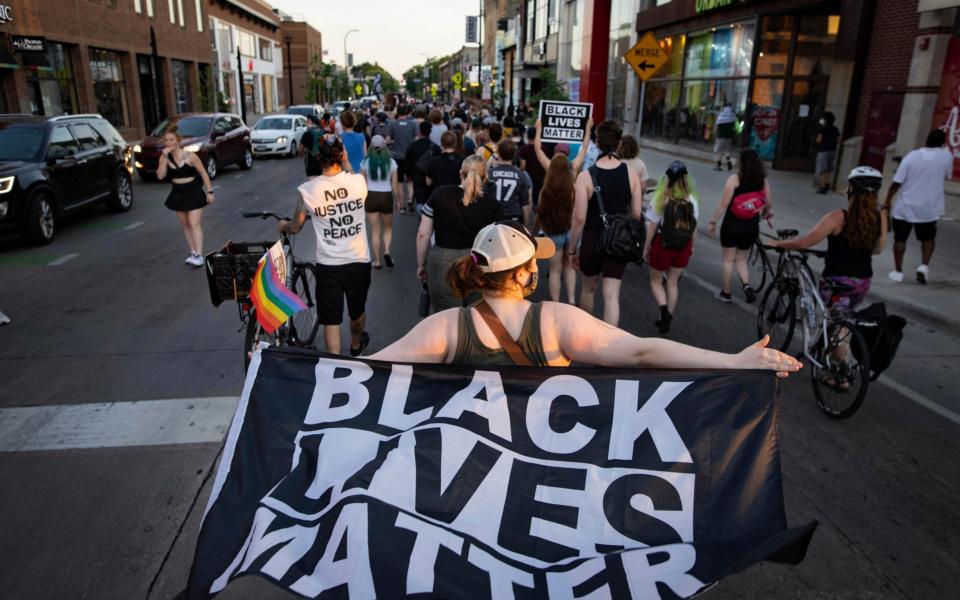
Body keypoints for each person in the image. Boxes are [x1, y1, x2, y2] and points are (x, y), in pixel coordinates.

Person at [371, 220, 802, 379]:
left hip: (469, 481)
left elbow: (365, 372)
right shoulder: (557, 321)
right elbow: (642, 353)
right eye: (533, 263)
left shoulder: (445, 327)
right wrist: (732, 361)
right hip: (545, 478)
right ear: (523, 273)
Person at [767, 167, 888, 376]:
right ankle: (827, 356)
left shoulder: (838, 217)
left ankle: (842, 373)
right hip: (862, 282)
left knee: (839, 326)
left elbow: (807, 241)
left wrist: (780, 243)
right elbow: (877, 249)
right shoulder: (880, 217)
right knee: (841, 320)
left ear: (851, 189)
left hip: (836, 281)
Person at [277, 134, 372, 357]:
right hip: (358, 260)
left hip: (329, 264)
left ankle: (335, 365)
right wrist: (347, 160)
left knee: (331, 320)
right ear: (342, 155)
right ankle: (357, 343)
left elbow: (296, 226)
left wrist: (282, 226)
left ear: (319, 158)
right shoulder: (358, 182)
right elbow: (352, 171)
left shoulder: (308, 190)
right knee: (356, 313)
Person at [569, 120, 644, 327]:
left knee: (587, 289)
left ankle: (586, 336)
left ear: (597, 142)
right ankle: (610, 346)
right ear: (619, 142)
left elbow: (579, 218)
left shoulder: (585, 176)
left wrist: (572, 249)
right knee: (612, 296)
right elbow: (636, 214)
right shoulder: (631, 174)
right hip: (618, 240)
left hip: (592, 238)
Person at [417, 155, 503, 312]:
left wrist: (421, 265)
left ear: (460, 173)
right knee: (474, 318)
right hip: (477, 264)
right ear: (485, 177)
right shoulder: (492, 205)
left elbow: (423, 235)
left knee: (446, 320)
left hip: (442, 262)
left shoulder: (440, 195)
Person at [884, 129, 952, 284]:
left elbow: (897, 181)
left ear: (926, 139)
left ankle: (898, 272)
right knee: (928, 238)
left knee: (900, 239)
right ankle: (923, 266)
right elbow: (948, 175)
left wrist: (887, 200)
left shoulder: (912, 156)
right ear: (943, 143)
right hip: (929, 207)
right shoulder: (946, 156)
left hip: (906, 206)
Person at [707, 147, 773, 304]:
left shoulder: (735, 179)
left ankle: (726, 293)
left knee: (729, 259)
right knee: (741, 258)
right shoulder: (762, 181)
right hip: (751, 225)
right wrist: (763, 215)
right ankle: (747, 286)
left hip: (732, 224)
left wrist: (712, 221)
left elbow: (724, 204)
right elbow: (768, 203)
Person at [643, 162, 699, 334]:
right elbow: (694, 227)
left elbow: (652, 227)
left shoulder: (661, 198)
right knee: (673, 283)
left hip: (663, 244)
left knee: (655, 281)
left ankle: (663, 310)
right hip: (684, 245)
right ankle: (667, 318)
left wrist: (646, 248)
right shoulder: (692, 200)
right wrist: (692, 246)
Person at [156, 126, 215, 267]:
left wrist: (210, 192)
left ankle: (199, 255)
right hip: (178, 192)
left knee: (194, 224)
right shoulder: (164, 158)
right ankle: (193, 252)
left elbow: (203, 173)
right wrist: (163, 157)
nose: (168, 143)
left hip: (193, 191)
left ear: (178, 141)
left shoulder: (190, 156)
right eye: (166, 140)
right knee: (186, 226)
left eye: (171, 140)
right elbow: (160, 176)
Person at [533, 152, 577, 303]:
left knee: (555, 270)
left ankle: (556, 303)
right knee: (569, 267)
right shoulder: (573, 189)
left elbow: (539, 214)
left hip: (553, 233)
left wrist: (533, 232)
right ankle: (571, 300)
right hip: (571, 232)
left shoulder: (545, 191)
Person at [361, 135, 399, 269]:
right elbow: (395, 186)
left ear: (371, 146)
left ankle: (377, 261)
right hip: (386, 196)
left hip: (370, 196)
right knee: (387, 227)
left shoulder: (365, 162)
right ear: (385, 146)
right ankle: (387, 251)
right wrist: (398, 201)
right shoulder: (392, 163)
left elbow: (362, 184)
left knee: (375, 230)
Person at [486, 139, 531, 224]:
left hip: (493, 216)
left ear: (498, 153)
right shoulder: (521, 175)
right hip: (514, 217)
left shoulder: (490, 174)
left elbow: (484, 198)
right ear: (514, 154)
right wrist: (526, 225)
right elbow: (525, 204)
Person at [387, 104, 417, 213]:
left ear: (398, 112)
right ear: (408, 112)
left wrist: (392, 142)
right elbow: (416, 138)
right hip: (410, 156)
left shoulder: (392, 124)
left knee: (399, 182)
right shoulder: (413, 124)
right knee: (410, 180)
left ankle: (402, 206)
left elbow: (388, 140)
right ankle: (410, 199)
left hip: (397, 156)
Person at [418, 131, 464, 199]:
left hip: (439, 196)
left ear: (442, 144)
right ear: (455, 143)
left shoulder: (434, 161)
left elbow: (428, 182)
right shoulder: (463, 160)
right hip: (457, 196)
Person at [405, 120, 435, 216]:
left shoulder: (412, 146)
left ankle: (421, 215)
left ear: (420, 131)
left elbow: (408, 161)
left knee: (420, 199)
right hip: (431, 175)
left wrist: (408, 174)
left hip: (417, 175)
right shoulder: (435, 147)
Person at [518, 126, 546, 208]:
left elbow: (523, 166)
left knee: (529, 198)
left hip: (528, 177)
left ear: (527, 136)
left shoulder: (524, 149)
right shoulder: (543, 148)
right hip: (541, 176)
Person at [814, 112, 840, 194]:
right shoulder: (835, 129)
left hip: (823, 151)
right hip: (832, 150)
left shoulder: (823, 129)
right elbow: (838, 140)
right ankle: (827, 183)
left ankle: (823, 186)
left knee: (822, 170)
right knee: (828, 169)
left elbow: (819, 140)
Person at [714, 103, 737, 171]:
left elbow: (717, 126)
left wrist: (715, 132)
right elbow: (735, 127)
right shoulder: (732, 115)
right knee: (727, 150)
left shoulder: (721, 115)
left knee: (719, 150)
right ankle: (729, 161)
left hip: (721, 136)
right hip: (729, 136)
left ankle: (718, 165)